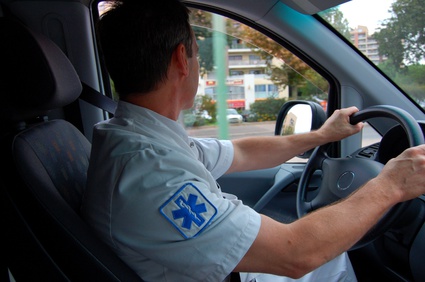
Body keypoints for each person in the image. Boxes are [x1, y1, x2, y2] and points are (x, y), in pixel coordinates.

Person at [80, 0, 425, 281]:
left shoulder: (140, 139)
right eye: (197, 54)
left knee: (331, 261)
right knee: (327, 261)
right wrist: (391, 185)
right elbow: (295, 254)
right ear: (181, 60)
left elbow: (241, 152)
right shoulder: (152, 174)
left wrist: (322, 135)